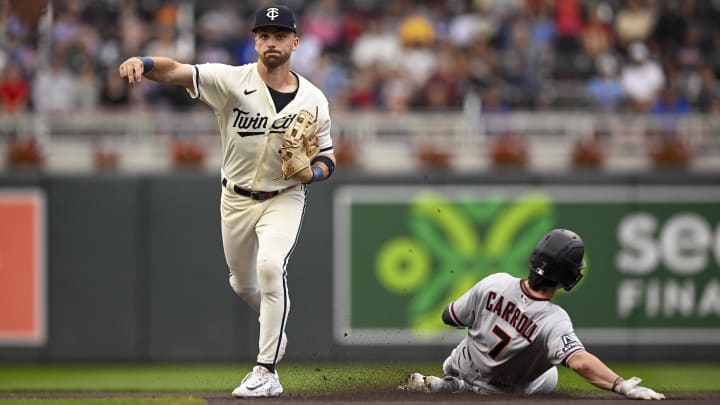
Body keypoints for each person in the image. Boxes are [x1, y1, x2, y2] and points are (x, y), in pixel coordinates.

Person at [118, 4, 336, 398]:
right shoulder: (231, 81)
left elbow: (328, 156)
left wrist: (313, 173)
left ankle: (265, 370)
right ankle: (276, 325)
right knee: (242, 283)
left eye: (280, 36)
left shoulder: (314, 99)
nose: (272, 42)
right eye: (264, 36)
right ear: (255, 41)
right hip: (234, 198)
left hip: (284, 195)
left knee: (271, 268)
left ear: (295, 42)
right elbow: (175, 70)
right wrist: (143, 60)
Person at [405, 229, 665, 400]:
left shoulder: (494, 281)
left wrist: (494, 318)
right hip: (499, 391)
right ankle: (461, 388)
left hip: (463, 363)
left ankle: (452, 382)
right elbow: (579, 362)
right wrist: (620, 384)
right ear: (569, 277)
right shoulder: (554, 320)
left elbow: (449, 317)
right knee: (550, 372)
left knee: (478, 335)